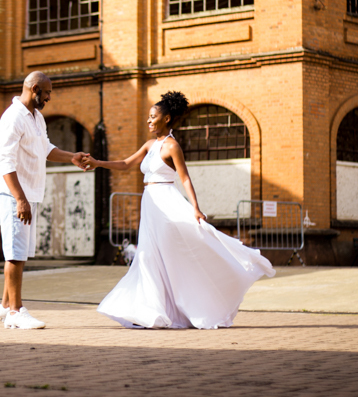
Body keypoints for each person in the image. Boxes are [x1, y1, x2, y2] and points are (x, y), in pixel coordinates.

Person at [83, 91, 274, 329]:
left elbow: (185, 179)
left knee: (165, 256)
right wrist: (98, 163)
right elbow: (125, 164)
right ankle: (151, 313)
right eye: (148, 117)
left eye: (153, 116)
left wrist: (195, 208)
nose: (149, 120)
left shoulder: (172, 146)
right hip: (150, 204)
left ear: (167, 118)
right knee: (147, 256)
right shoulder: (150, 145)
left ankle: (187, 304)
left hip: (166, 203)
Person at [0, 71, 88, 329]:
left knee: (17, 250)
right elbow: (5, 163)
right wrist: (19, 199)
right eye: (46, 93)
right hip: (12, 191)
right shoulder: (13, 118)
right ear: (33, 89)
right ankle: (15, 312)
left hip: (27, 192)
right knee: (15, 252)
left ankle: (3, 306)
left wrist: (71, 157)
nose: (48, 98)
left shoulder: (37, 117)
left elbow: (45, 148)